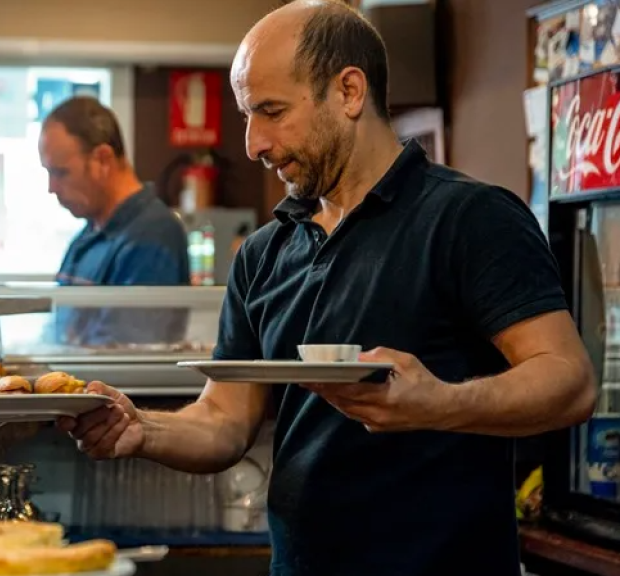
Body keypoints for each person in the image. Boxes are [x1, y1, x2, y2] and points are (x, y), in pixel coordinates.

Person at [60, 2, 597, 575]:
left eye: (270, 111)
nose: (252, 143)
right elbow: (223, 421)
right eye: (247, 115)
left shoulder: (469, 218)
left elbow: (569, 381)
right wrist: (142, 427)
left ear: (348, 91)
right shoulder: (265, 254)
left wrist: (441, 403)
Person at [38, 96, 191, 345]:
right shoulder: (87, 237)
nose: (51, 187)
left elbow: (126, 353)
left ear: (102, 159)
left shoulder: (153, 236)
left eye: (60, 172)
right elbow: (57, 334)